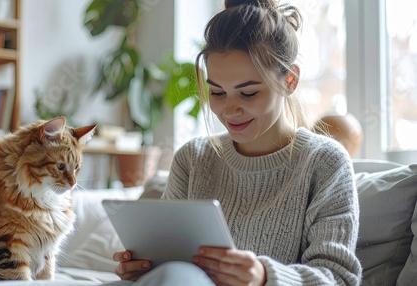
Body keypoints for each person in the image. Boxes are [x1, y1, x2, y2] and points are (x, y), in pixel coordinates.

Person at [109, 0, 362, 285]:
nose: (229, 110)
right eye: (217, 93)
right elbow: (172, 262)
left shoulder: (325, 163)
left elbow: (339, 278)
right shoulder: (193, 158)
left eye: (249, 93)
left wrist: (265, 276)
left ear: (290, 80)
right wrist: (144, 270)